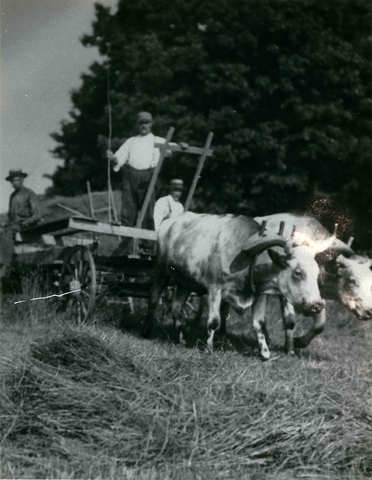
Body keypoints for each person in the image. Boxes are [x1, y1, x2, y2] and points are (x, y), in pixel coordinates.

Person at [108, 111, 188, 229]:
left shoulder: (157, 140)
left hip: (149, 178)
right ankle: (126, 245)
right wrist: (112, 158)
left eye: (146, 123)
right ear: (137, 124)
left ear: (151, 124)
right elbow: (119, 158)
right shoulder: (131, 141)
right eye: (141, 123)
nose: (143, 125)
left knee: (148, 213)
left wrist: (181, 145)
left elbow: (172, 147)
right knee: (128, 211)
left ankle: (147, 245)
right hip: (130, 179)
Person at [0, 169, 41, 276]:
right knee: (4, 231)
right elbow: (11, 217)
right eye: (13, 181)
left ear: (22, 180)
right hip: (15, 225)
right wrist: (6, 223)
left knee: (7, 233)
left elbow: (37, 215)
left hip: (27, 225)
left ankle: (5, 265)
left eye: (17, 180)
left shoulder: (30, 194)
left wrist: (27, 222)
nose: (15, 183)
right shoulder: (12, 196)